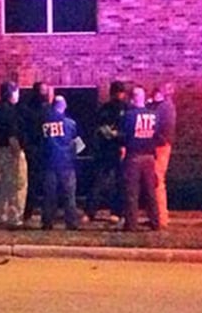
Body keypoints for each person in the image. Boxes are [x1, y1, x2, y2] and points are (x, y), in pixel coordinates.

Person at [84, 81, 126, 223]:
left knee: (116, 183)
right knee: (100, 182)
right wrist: (111, 134)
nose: (118, 95)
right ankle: (92, 211)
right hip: (106, 150)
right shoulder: (107, 109)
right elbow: (99, 126)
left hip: (117, 149)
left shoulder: (125, 109)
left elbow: (126, 130)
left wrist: (118, 137)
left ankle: (116, 212)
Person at [120, 84, 161, 231]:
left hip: (134, 157)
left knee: (132, 192)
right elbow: (157, 135)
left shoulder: (129, 116)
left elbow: (123, 136)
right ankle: (156, 221)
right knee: (150, 191)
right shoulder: (154, 115)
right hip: (149, 157)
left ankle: (131, 224)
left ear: (132, 99)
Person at [0, 81, 28, 229]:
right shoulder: (10, 110)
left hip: (0, 150)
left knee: (5, 183)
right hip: (11, 150)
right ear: (11, 93)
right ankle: (16, 216)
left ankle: (2, 213)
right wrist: (18, 152)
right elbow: (12, 133)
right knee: (19, 184)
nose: (18, 95)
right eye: (17, 92)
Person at [40, 95, 81, 230]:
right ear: (64, 106)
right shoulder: (70, 123)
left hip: (49, 163)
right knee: (69, 195)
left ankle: (47, 223)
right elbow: (78, 145)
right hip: (67, 164)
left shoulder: (45, 123)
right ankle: (71, 223)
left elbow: (42, 142)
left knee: (49, 195)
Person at [21, 81, 50, 222]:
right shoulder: (43, 110)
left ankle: (30, 212)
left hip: (37, 149)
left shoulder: (27, 108)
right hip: (39, 149)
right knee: (37, 182)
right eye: (43, 91)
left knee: (35, 182)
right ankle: (34, 211)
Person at [153, 82, 176, 228]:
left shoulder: (164, 107)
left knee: (157, 181)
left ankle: (161, 218)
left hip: (160, 147)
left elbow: (160, 129)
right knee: (157, 181)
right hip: (164, 145)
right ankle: (159, 216)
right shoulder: (168, 107)